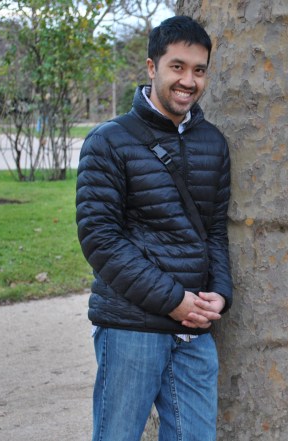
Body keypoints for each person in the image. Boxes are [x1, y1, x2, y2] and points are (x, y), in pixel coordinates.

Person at [76, 16, 232, 441]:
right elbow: (100, 240)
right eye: (177, 67)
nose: (188, 81)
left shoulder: (213, 142)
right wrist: (173, 300)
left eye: (199, 70)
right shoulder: (108, 141)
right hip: (131, 326)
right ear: (152, 67)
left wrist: (221, 293)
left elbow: (215, 232)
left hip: (194, 329)